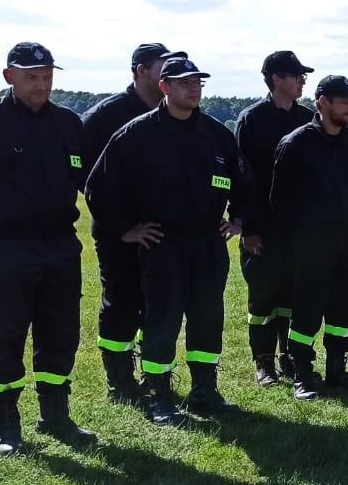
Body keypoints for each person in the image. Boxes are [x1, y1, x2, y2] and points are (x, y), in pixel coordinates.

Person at [0, 42, 94, 455]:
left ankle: (56, 415)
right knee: (4, 334)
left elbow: (88, 180)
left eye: (47, 76)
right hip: (9, 249)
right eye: (31, 77)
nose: (41, 84)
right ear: (9, 76)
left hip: (61, 246)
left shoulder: (67, 123)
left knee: (60, 332)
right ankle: (7, 425)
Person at [85, 55, 250, 424]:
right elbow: (99, 188)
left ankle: (205, 391)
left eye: (198, 83)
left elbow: (244, 182)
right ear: (165, 86)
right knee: (163, 320)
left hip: (208, 243)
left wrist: (238, 219)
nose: (194, 89)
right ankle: (159, 395)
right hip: (163, 245)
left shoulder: (216, 134)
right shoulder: (135, 135)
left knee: (208, 318)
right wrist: (126, 229)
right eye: (185, 83)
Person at [80, 43, 185, 404]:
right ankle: (120, 381)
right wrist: (121, 225)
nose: (169, 72)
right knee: (122, 301)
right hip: (119, 232)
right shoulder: (106, 115)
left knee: (157, 302)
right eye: (162, 66)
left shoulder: (170, 112)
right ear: (140, 71)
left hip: (161, 232)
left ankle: (154, 374)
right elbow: (84, 175)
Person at [270, 74, 348, 400]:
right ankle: (302, 373)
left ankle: (337, 370)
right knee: (307, 310)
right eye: (344, 101)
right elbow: (280, 203)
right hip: (310, 245)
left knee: (343, 310)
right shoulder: (296, 144)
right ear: (322, 102)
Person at [235, 50, 316, 387]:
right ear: (276, 79)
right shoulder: (252, 119)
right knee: (264, 298)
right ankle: (263, 363)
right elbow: (242, 175)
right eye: (296, 75)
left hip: (298, 227)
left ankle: (291, 359)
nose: (302, 81)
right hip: (263, 225)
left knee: (293, 295)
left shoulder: (308, 118)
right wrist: (249, 228)